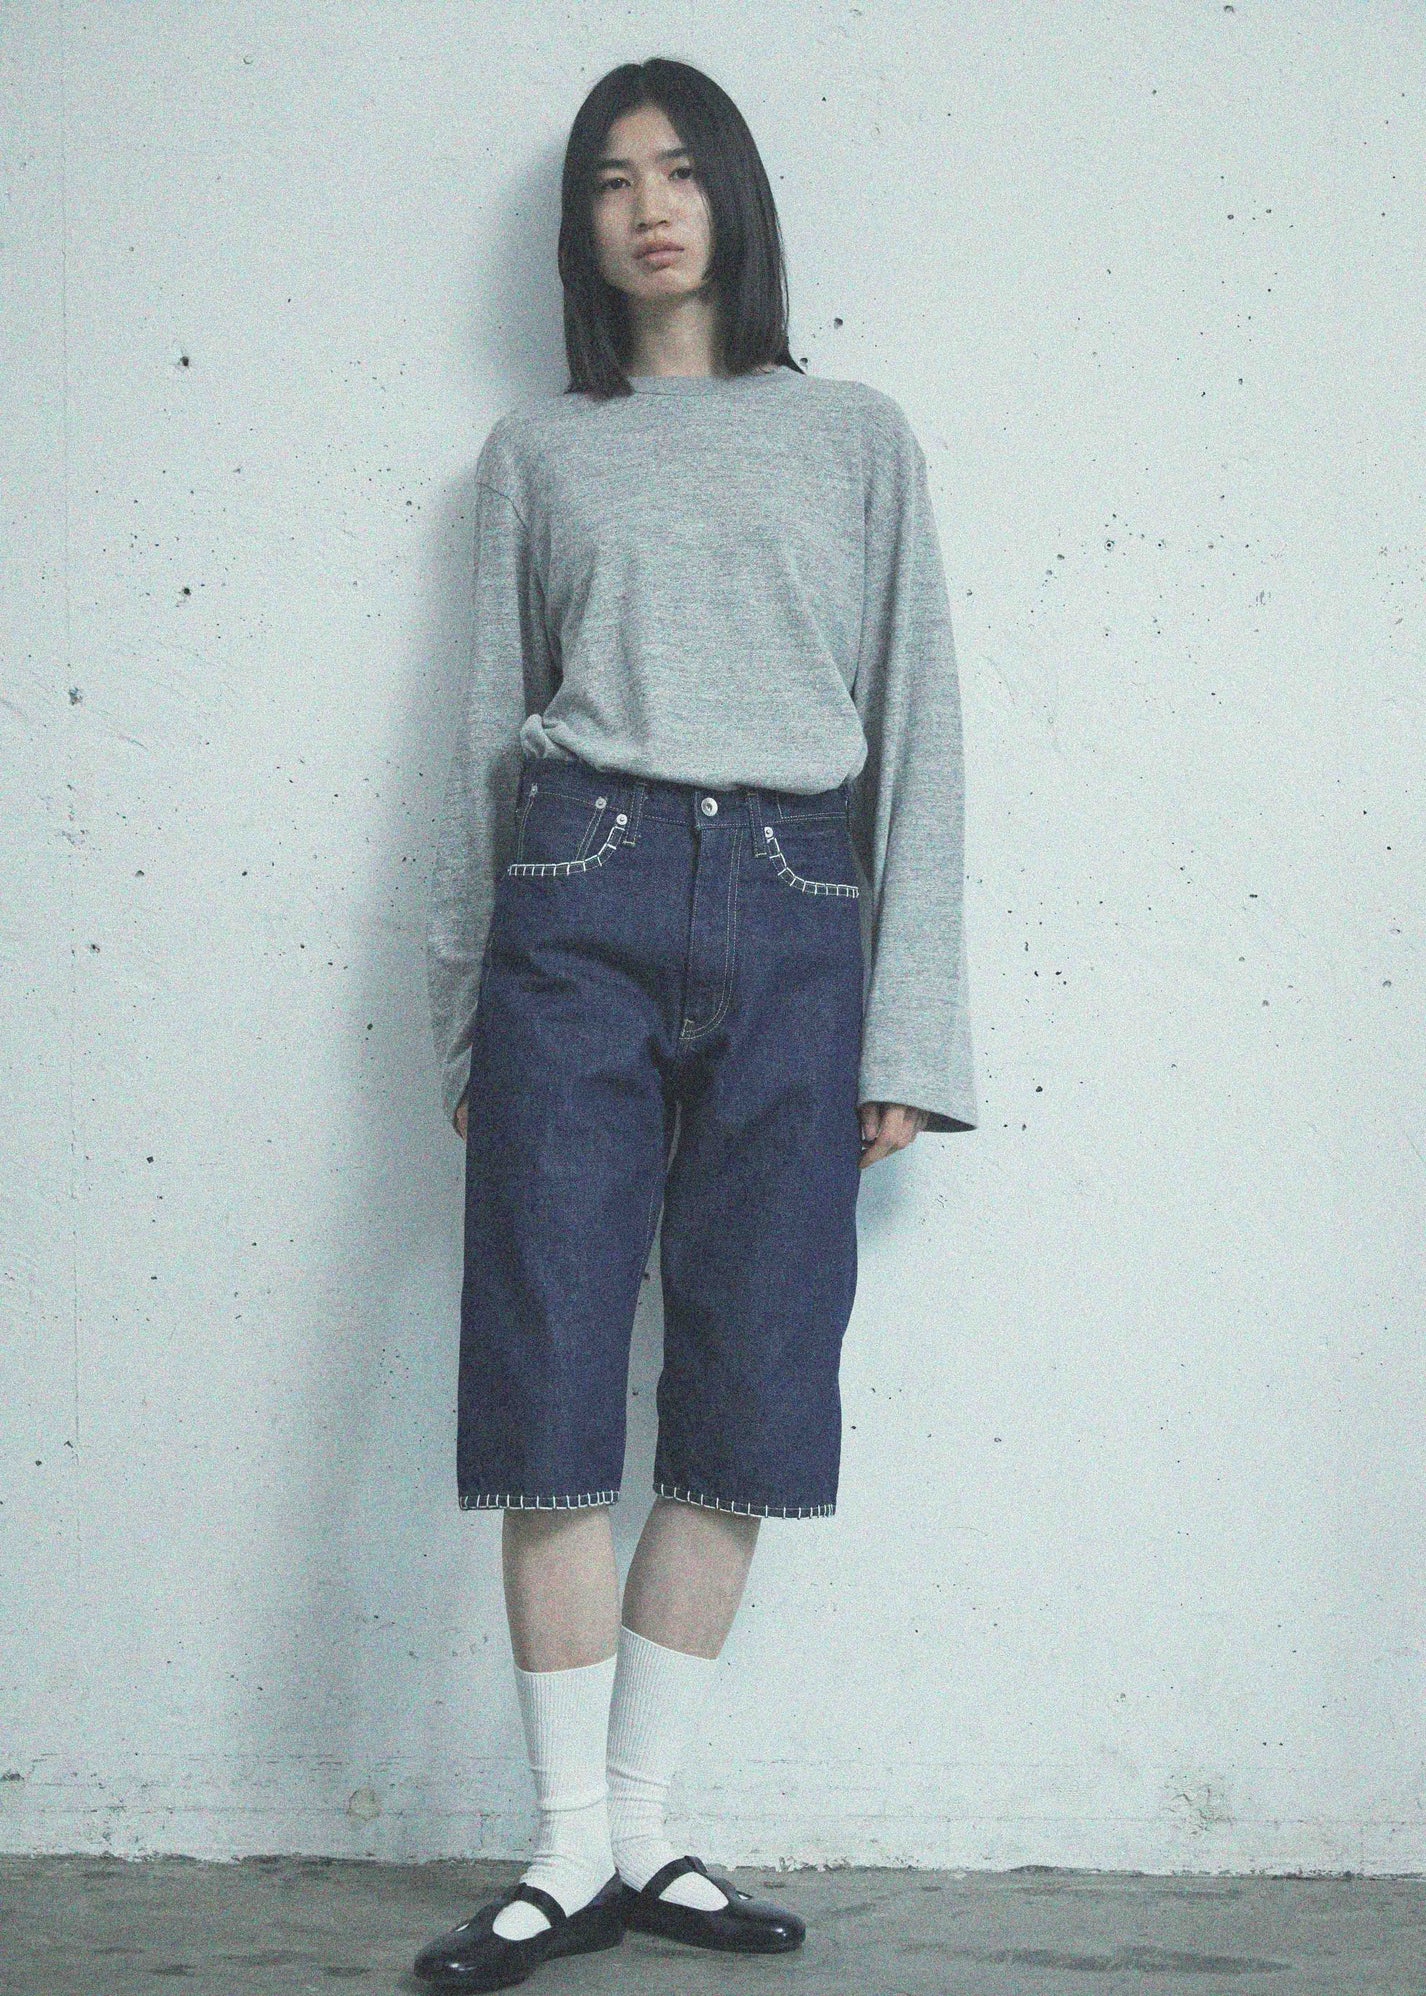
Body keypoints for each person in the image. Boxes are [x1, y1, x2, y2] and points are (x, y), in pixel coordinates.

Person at [416, 55, 976, 1993]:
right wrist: (464, 1022)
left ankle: (645, 1829)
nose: (649, 207)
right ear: (579, 228)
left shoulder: (855, 438)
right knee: (547, 1382)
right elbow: (479, 746)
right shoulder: (538, 454)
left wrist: (908, 1030)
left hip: (802, 919)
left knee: (748, 1389)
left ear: (731, 194)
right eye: (609, 180)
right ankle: (564, 1850)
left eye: (677, 170)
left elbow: (917, 732)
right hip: (575, 900)